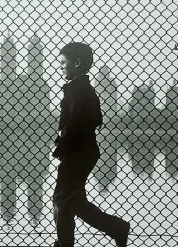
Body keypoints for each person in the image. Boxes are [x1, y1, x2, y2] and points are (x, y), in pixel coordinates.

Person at [52, 42, 130, 247]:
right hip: (84, 152)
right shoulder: (82, 88)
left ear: (76, 63)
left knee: (62, 199)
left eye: (63, 62)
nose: (60, 67)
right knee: (73, 200)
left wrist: (64, 143)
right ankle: (115, 228)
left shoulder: (78, 90)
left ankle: (65, 243)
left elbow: (75, 121)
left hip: (78, 152)